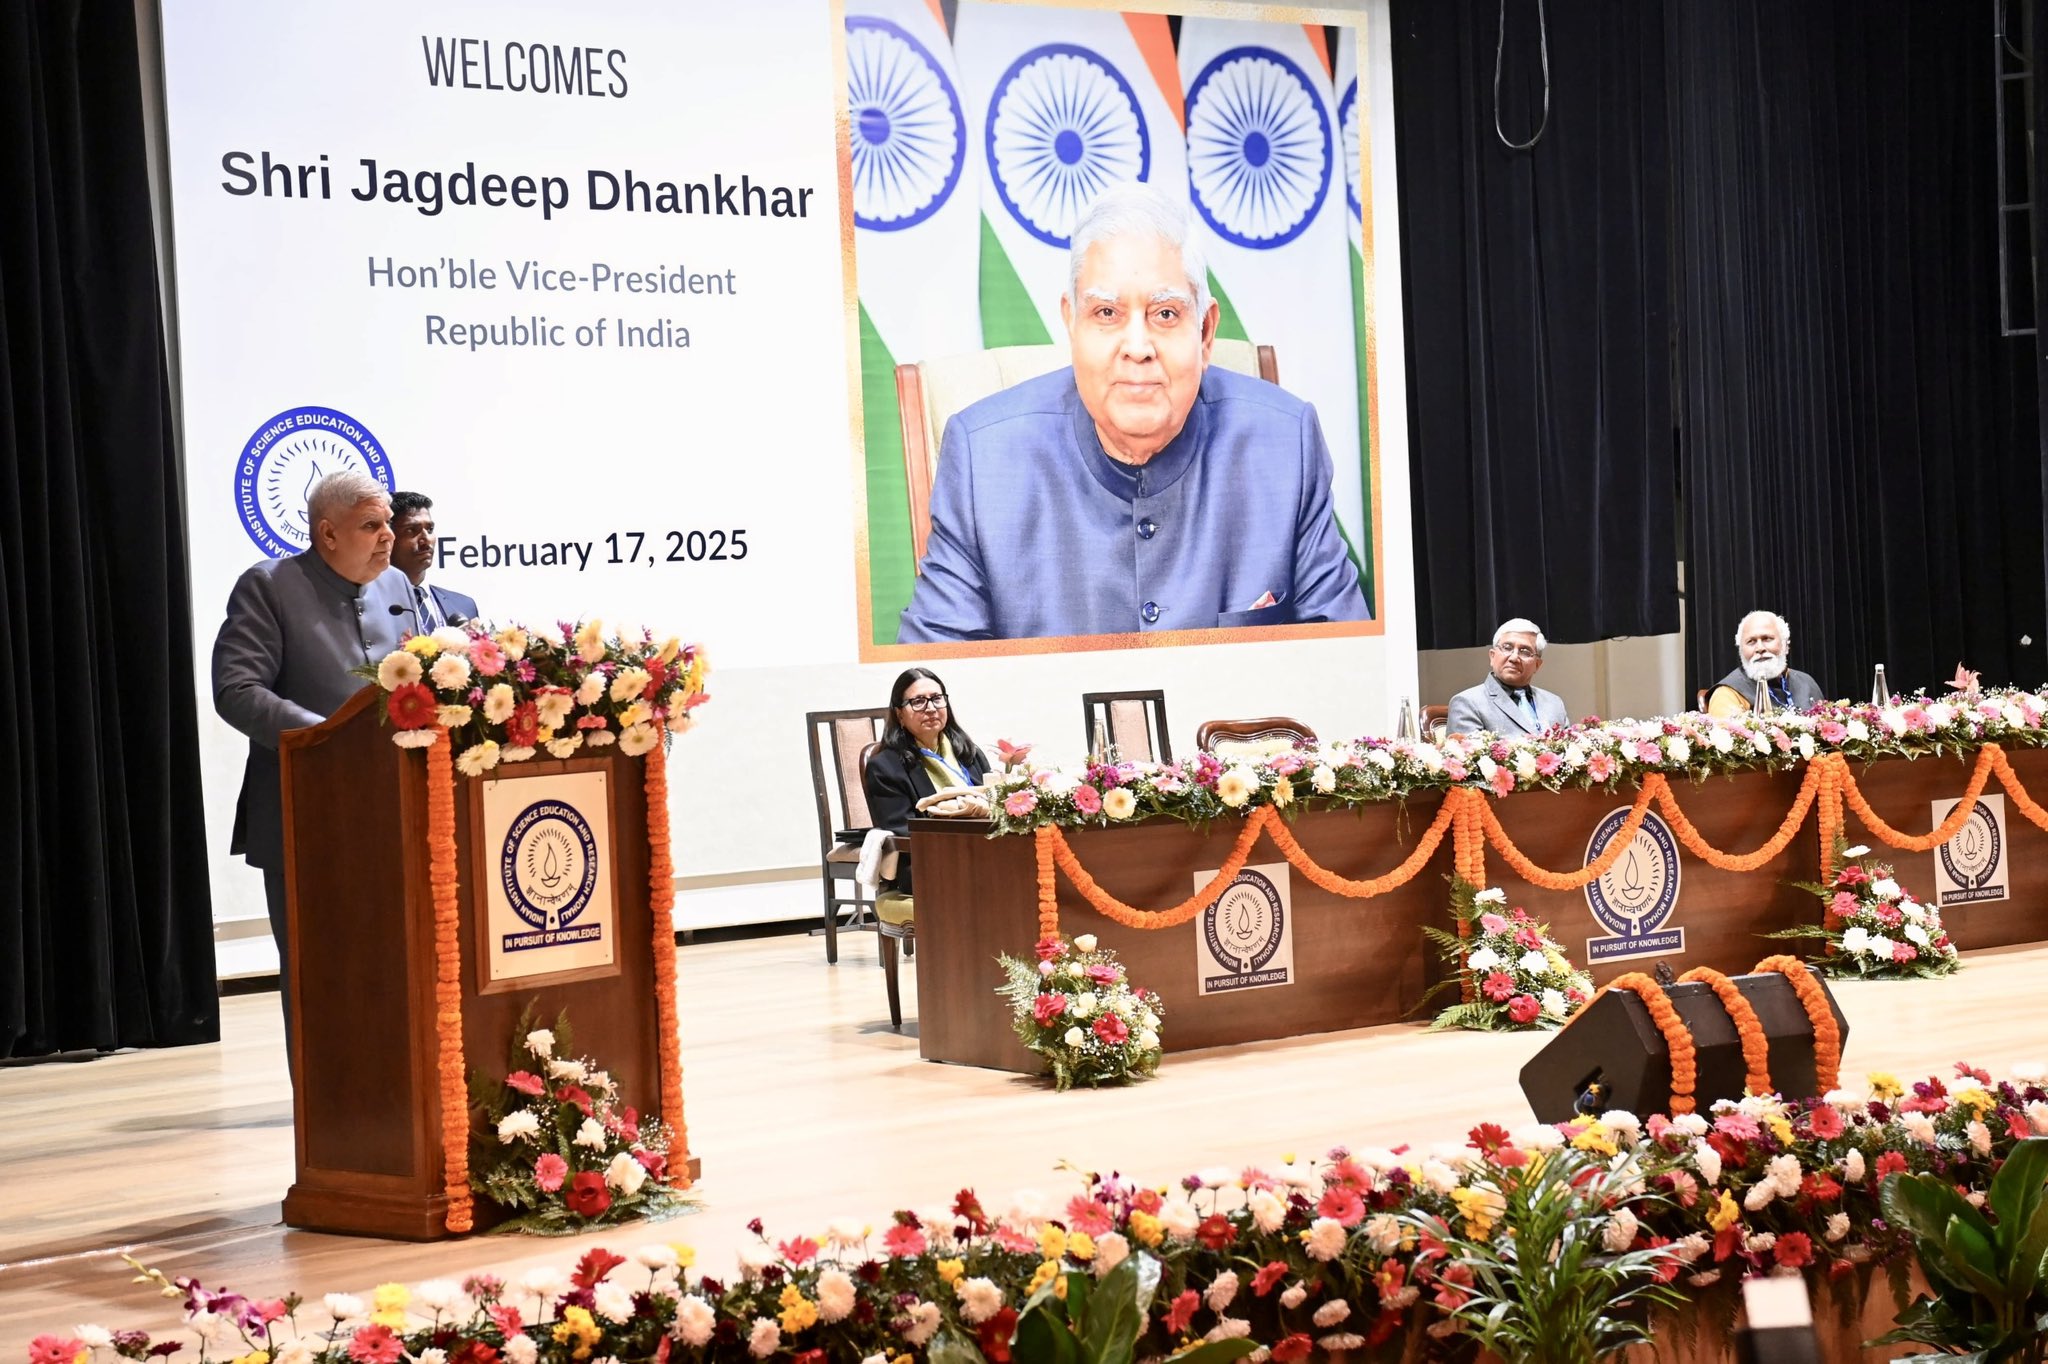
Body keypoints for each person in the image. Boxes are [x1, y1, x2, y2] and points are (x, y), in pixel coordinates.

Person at [896, 181, 1370, 643]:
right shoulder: (985, 463)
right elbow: (931, 690)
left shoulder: (1287, 446)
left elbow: (1345, 668)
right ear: (1072, 323)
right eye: (1106, 314)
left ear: (1204, 333)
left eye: (1165, 314)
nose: (1138, 347)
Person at [212, 471, 414, 1059]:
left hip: (396, 812)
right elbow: (236, 688)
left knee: (397, 966)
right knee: (321, 972)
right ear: (327, 533)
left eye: (387, 525)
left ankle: (400, 1101)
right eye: (371, 526)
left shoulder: (397, 583)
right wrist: (327, 738)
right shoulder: (269, 586)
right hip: (310, 814)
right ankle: (330, 1116)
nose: (387, 537)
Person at [860, 669, 994, 898]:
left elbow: (995, 801)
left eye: (936, 698)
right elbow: (901, 828)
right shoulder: (885, 766)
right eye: (918, 701)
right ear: (900, 714)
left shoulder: (969, 753)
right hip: (929, 861)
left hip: (987, 849)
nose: (931, 708)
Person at [1446, 618, 1570, 736]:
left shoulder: (1554, 703)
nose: (1514, 658)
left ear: (1537, 665)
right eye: (1507, 648)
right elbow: (1467, 756)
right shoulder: (1467, 703)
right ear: (1492, 656)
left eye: (1525, 652)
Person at [389, 490, 479, 631]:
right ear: (387, 537)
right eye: (411, 530)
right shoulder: (372, 607)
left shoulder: (464, 606)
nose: (426, 540)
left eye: (430, 529)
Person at [1706, 610, 1824, 716]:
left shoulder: (1806, 682)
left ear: (1785, 645)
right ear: (1741, 651)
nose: (1760, 648)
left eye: (1767, 639)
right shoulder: (1726, 694)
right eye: (1751, 641)